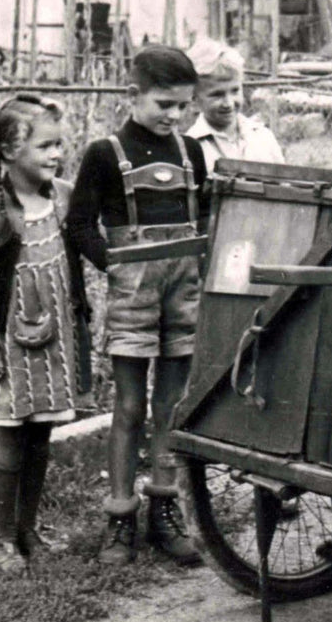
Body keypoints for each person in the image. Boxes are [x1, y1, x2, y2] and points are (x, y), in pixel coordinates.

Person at [68, 45, 210, 567]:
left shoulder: (191, 153)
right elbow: (79, 225)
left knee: (170, 406)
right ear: (134, 95)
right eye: (163, 104)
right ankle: (120, 517)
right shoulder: (104, 154)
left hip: (185, 292)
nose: (174, 116)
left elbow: (209, 218)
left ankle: (164, 512)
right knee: (129, 407)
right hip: (133, 294)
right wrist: (117, 266)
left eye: (183, 106)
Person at [0, 94, 91, 571]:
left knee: (40, 433)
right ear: (10, 152)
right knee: (9, 437)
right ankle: (1, 537)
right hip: (7, 345)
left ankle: (28, 529)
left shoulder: (64, 198)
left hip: (52, 340)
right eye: (45, 147)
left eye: (59, 145)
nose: (57, 155)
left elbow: (79, 256)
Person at [185, 37, 285, 169]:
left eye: (235, 91)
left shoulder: (263, 137)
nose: (229, 103)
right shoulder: (190, 146)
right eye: (217, 94)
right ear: (194, 99)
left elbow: (284, 185)